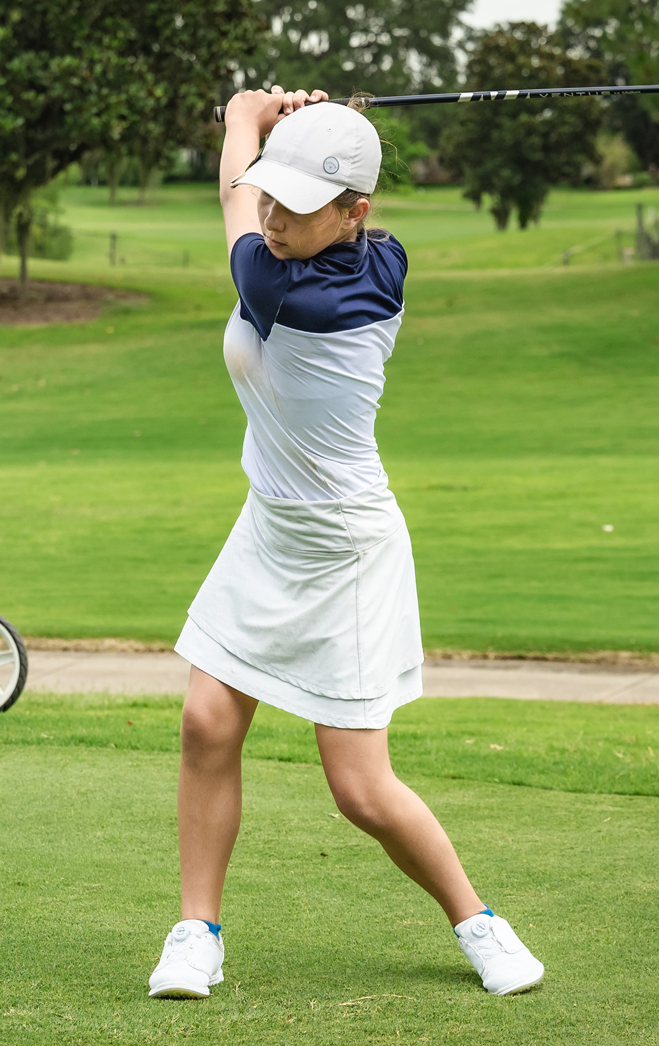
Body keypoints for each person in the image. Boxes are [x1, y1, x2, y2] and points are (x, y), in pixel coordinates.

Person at [145, 87, 546, 1000]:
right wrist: (312, 132)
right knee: (206, 722)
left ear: (355, 210)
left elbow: (234, 198)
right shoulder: (378, 252)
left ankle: (480, 922)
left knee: (359, 789)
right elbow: (284, 191)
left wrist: (245, 117)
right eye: (277, 196)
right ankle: (197, 933)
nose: (275, 217)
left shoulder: (286, 286)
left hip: (348, 549)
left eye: (297, 204)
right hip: (270, 525)